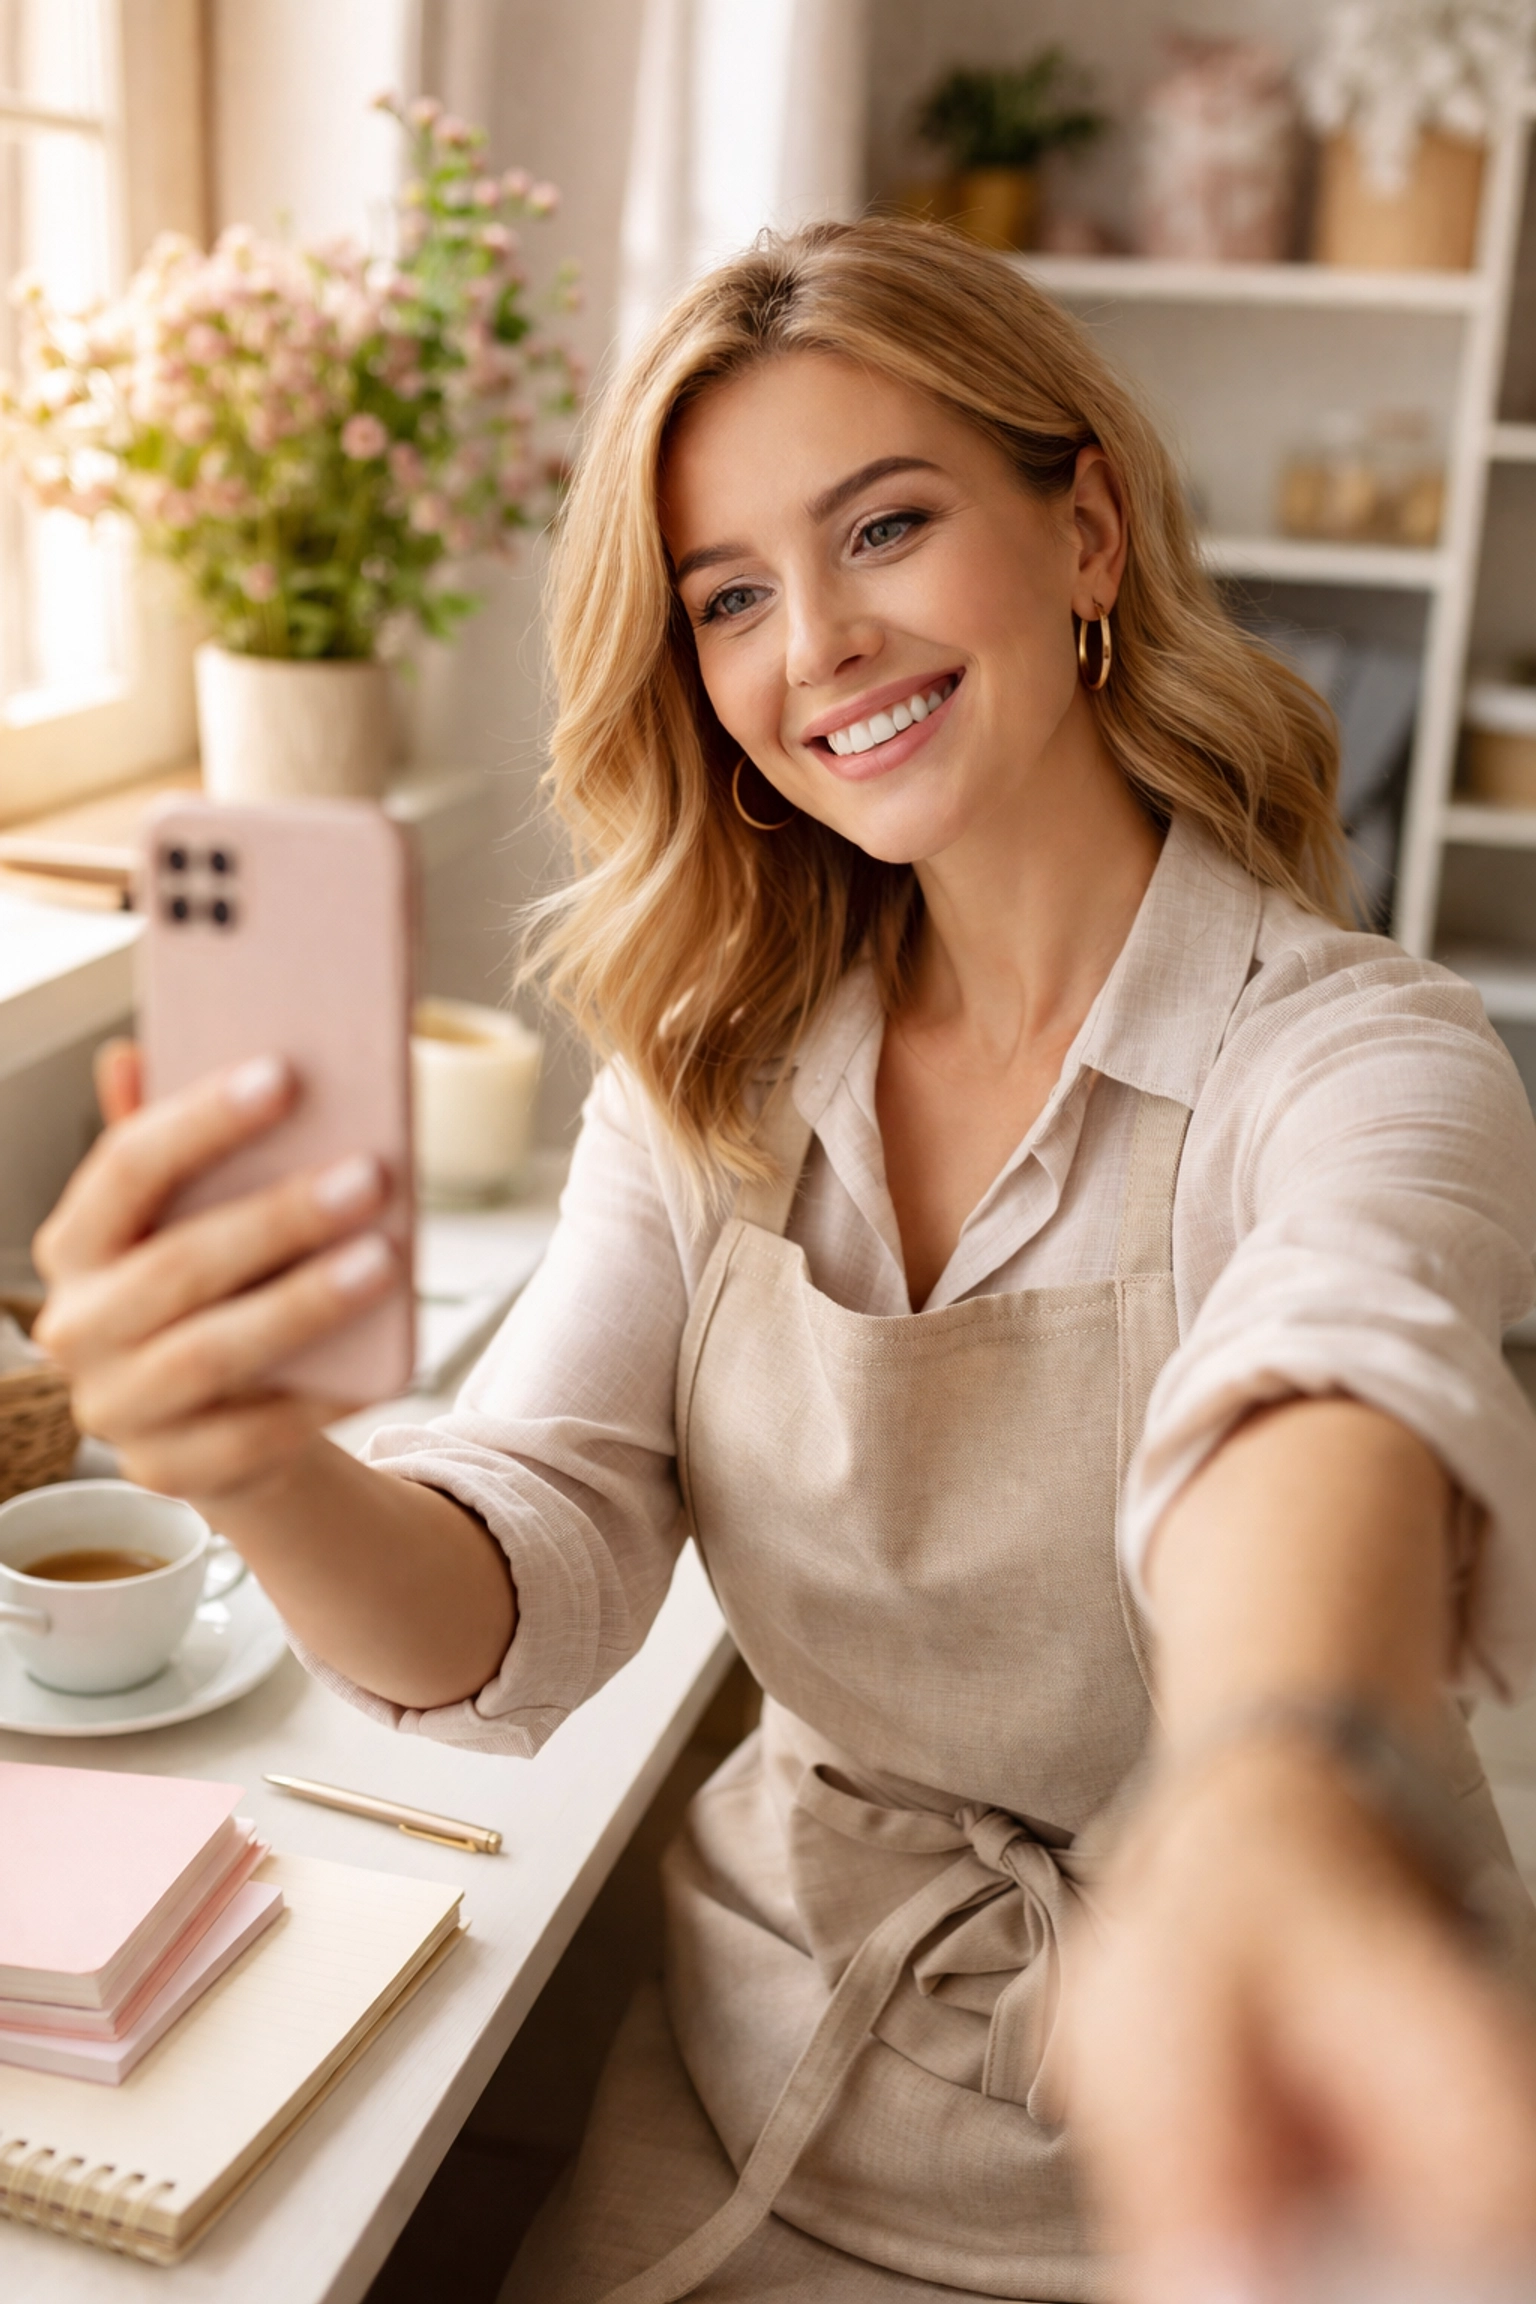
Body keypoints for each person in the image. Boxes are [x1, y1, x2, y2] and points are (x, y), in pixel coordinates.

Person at [31, 218, 1536, 2304]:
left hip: (1261, 2104)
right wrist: (260, 1462)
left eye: (886, 527)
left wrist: (1276, 1781)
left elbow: (1324, 1376)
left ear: (1084, 530)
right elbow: (537, 1558)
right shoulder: (708, 1077)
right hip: (767, 2097)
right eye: (729, 595)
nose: (814, 642)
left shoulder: (1357, 1049)